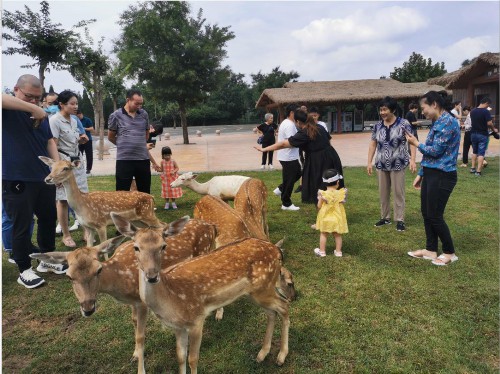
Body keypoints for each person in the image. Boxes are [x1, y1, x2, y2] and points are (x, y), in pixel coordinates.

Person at [2, 75, 67, 289]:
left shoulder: (42, 116)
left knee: (48, 218)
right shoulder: (8, 110)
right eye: (29, 96)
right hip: (16, 177)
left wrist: (57, 170)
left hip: (42, 177)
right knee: (22, 224)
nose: (34, 102)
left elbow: (49, 141)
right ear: (16, 90)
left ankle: (46, 261)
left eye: (37, 99)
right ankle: (24, 269)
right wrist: (33, 109)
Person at [406, 90, 461, 266]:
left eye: (424, 108)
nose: (423, 112)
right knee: (426, 212)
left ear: (434, 104)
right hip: (431, 173)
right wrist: (422, 174)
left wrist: (416, 143)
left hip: (443, 175)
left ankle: (449, 252)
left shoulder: (448, 122)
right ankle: (430, 250)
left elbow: (435, 151)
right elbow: (430, 154)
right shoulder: (437, 122)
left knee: (435, 215)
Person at [256, 109, 345, 205]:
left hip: (318, 161)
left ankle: (325, 213)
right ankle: (335, 209)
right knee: (332, 183)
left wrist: (264, 149)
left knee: (319, 186)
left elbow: (283, 144)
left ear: (298, 122)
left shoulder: (305, 133)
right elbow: (328, 140)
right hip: (332, 155)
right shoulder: (319, 127)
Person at [367, 96, 416, 232]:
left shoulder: (403, 123)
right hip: (381, 164)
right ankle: (385, 217)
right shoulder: (377, 126)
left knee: (398, 192)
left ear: (393, 110)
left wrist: (412, 159)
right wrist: (369, 162)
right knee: (383, 192)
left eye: (385, 109)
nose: (382, 112)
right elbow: (373, 144)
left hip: (398, 163)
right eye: (380, 110)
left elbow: (412, 141)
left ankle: (400, 219)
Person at [49, 90, 89, 248]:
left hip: (76, 162)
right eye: (72, 103)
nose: (75, 106)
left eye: (76, 103)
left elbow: (73, 141)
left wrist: (82, 140)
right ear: (62, 104)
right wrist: (58, 172)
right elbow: (53, 145)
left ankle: (87, 230)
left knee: (82, 197)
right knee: (63, 200)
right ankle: (66, 235)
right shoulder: (55, 121)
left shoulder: (73, 120)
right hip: (63, 164)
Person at [108, 89, 160, 194]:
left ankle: (143, 211)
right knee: (122, 193)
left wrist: (139, 144)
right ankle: (123, 211)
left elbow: (146, 134)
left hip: (142, 159)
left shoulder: (144, 114)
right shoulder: (116, 115)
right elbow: (111, 137)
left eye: (141, 104)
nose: (139, 106)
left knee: (144, 192)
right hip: (124, 160)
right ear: (128, 100)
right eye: (137, 103)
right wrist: (124, 145)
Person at [313, 169, 348, 258]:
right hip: (337, 218)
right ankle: (338, 252)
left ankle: (322, 252)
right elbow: (342, 202)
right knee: (337, 235)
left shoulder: (322, 194)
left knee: (324, 234)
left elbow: (319, 206)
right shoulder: (340, 193)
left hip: (325, 217)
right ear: (337, 182)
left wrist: (321, 199)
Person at [470, 97, 497, 176]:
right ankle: (478, 171)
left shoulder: (472, 111)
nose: (488, 106)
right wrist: (493, 129)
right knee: (481, 153)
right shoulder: (486, 112)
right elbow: (489, 123)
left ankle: (472, 168)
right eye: (488, 104)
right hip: (482, 134)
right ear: (486, 103)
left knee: (474, 151)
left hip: (473, 134)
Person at [77, 109, 94, 175]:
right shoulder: (75, 120)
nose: (78, 117)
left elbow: (92, 128)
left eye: (79, 116)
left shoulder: (87, 120)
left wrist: (84, 129)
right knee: (79, 154)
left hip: (88, 140)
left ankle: (88, 169)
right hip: (79, 140)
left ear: (81, 114)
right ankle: (79, 167)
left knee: (89, 155)